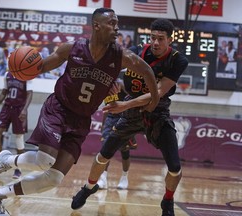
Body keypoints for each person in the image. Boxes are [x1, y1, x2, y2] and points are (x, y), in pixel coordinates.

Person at [0, 8, 159, 216]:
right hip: (58, 109)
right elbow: (38, 68)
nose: (116, 27)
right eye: (112, 23)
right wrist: (20, 65)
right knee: (44, 160)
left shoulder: (120, 56)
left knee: (53, 178)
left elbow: (146, 71)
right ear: (97, 26)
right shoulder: (71, 49)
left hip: (81, 119)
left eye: (117, 23)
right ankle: (5, 161)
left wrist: (154, 99)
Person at [71, 18, 189, 216]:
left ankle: (168, 200)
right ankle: (89, 187)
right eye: (153, 38)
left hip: (157, 114)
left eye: (161, 39)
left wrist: (125, 104)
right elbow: (108, 70)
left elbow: (158, 92)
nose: (156, 43)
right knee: (103, 154)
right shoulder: (135, 52)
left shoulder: (178, 60)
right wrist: (111, 82)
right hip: (131, 114)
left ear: (170, 39)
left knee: (175, 167)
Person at [0, 71, 33, 179]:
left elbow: (30, 93)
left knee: (19, 137)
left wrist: (25, 109)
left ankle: (18, 169)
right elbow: (4, 92)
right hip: (7, 107)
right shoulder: (7, 74)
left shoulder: (27, 74)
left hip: (19, 108)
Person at [97, 76, 137, 190]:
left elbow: (134, 98)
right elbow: (107, 107)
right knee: (105, 148)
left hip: (125, 118)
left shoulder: (121, 84)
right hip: (111, 117)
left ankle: (124, 177)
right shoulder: (103, 87)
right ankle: (103, 178)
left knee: (125, 151)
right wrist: (103, 125)